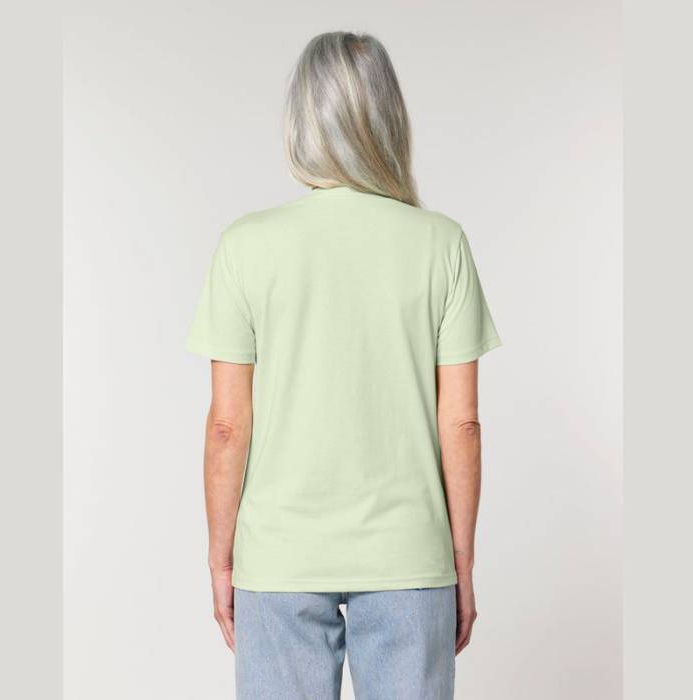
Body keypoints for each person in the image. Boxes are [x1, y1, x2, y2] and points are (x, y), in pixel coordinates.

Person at [186, 30, 501, 700]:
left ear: (301, 121)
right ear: (389, 120)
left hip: (279, 556)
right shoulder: (441, 244)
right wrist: (461, 563)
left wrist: (220, 559)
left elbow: (227, 426)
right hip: (409, 554)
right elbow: (462, 423)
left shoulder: (246, 245)